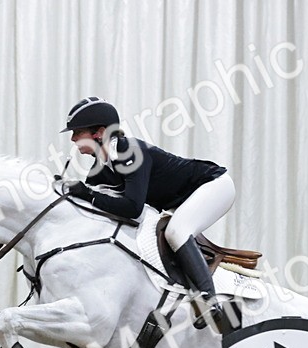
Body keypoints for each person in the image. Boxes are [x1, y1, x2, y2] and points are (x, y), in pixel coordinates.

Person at [59, 97, 237, 332]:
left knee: (176, 231)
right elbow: (92, 205)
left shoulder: (130, 151)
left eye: (77, 132)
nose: (72, 139)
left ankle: (209, 300)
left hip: (214, 185)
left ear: (99, 133)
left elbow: (133, 208)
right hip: (182, 200)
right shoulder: (101, 166)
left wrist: (87, 194)